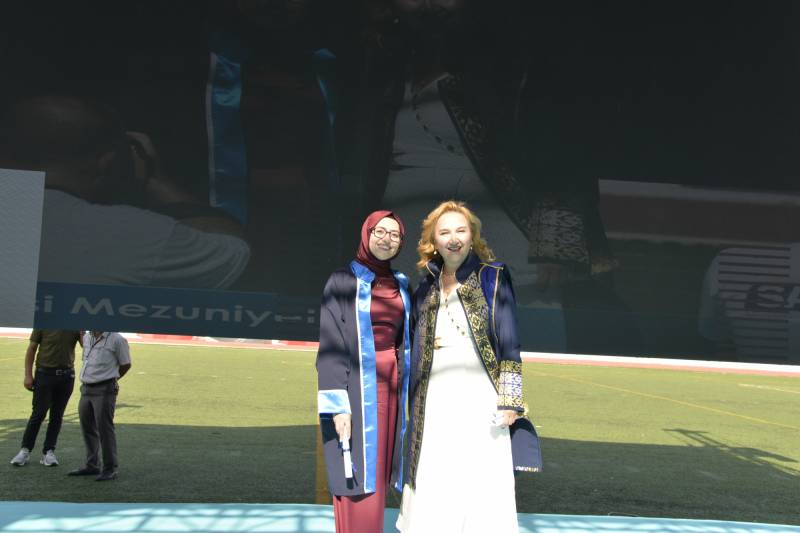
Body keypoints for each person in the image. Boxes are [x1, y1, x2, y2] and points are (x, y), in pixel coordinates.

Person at [398, 200, 541, 533]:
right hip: (434, 392)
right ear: (433, 240)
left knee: (480, 467)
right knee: (436, 464)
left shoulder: (493, 276)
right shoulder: (426, 284)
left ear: (472, 235)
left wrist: (510, 401)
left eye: (460, 231)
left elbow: (510, 340)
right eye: (445, 232)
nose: (453, 238)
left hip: (479, 391)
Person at [316, 210, 412, 533]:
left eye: (394, 235)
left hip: (392, 385)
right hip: (356, 386)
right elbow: (331, 344)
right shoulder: (343, 280)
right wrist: (338, 407)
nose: (387, 239)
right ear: (366, 234)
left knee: (380, 468)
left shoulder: (402, 284)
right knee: (356, 470)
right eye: (379, 232)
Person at [9, 329, 82, 467]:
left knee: (57, 415)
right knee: (39, 413)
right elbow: (32, 348)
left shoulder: (75, 324)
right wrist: (28, 375)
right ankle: (25, 450)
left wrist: (82, 332)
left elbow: (86, 347)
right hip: (44, 374)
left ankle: (49, 451)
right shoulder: (44, 321)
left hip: (66, 376)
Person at [68, 331, 131, 481]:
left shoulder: (116, 339)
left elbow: (126, 364)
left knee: (104, 429)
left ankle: (110, 468)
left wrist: (111, 378)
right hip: (86, 388)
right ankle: (92, 464)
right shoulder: (87, 337)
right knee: (87, 427)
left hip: (104, 388)